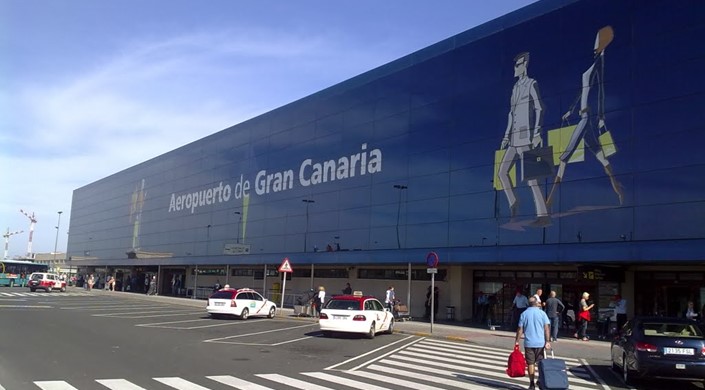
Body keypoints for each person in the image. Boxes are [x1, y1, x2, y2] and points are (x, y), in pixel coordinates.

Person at [547, 26, 624, 207]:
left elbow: (601, 91)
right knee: (601, 156)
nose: (595, 43)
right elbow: (583, 92)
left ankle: (548, 202)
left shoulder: (599, 63)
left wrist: (602, 116)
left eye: (598, 40)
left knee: (564, 157)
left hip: (586, 119)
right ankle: (617, 188)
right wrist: (570, 110)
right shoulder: (593, 64)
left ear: (602, 43)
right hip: (583, 117)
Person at [497, 51, 549, 227]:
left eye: (518, 65)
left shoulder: (531, 84)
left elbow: (540, 108)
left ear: (524, 65)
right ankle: (513, 202)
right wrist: (505, 136)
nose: (515, 68)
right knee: (502, 172)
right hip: (513, 139)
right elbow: (511, 114)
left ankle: (542, 215)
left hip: (526, 137)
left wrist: (537, 133)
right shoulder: (515, 88)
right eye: (515, 65)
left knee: (532, 179)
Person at [515, 296, 551, 390]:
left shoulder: (524, 314)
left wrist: (517, 341)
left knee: (530, 363)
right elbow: (546, 328)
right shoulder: (542, 313)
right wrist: (547, 341)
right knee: (540, 363)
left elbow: (520, 330)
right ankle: (540, 379)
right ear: (536, 303)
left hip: (529, 343)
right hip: (540, 343)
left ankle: (531, 384)